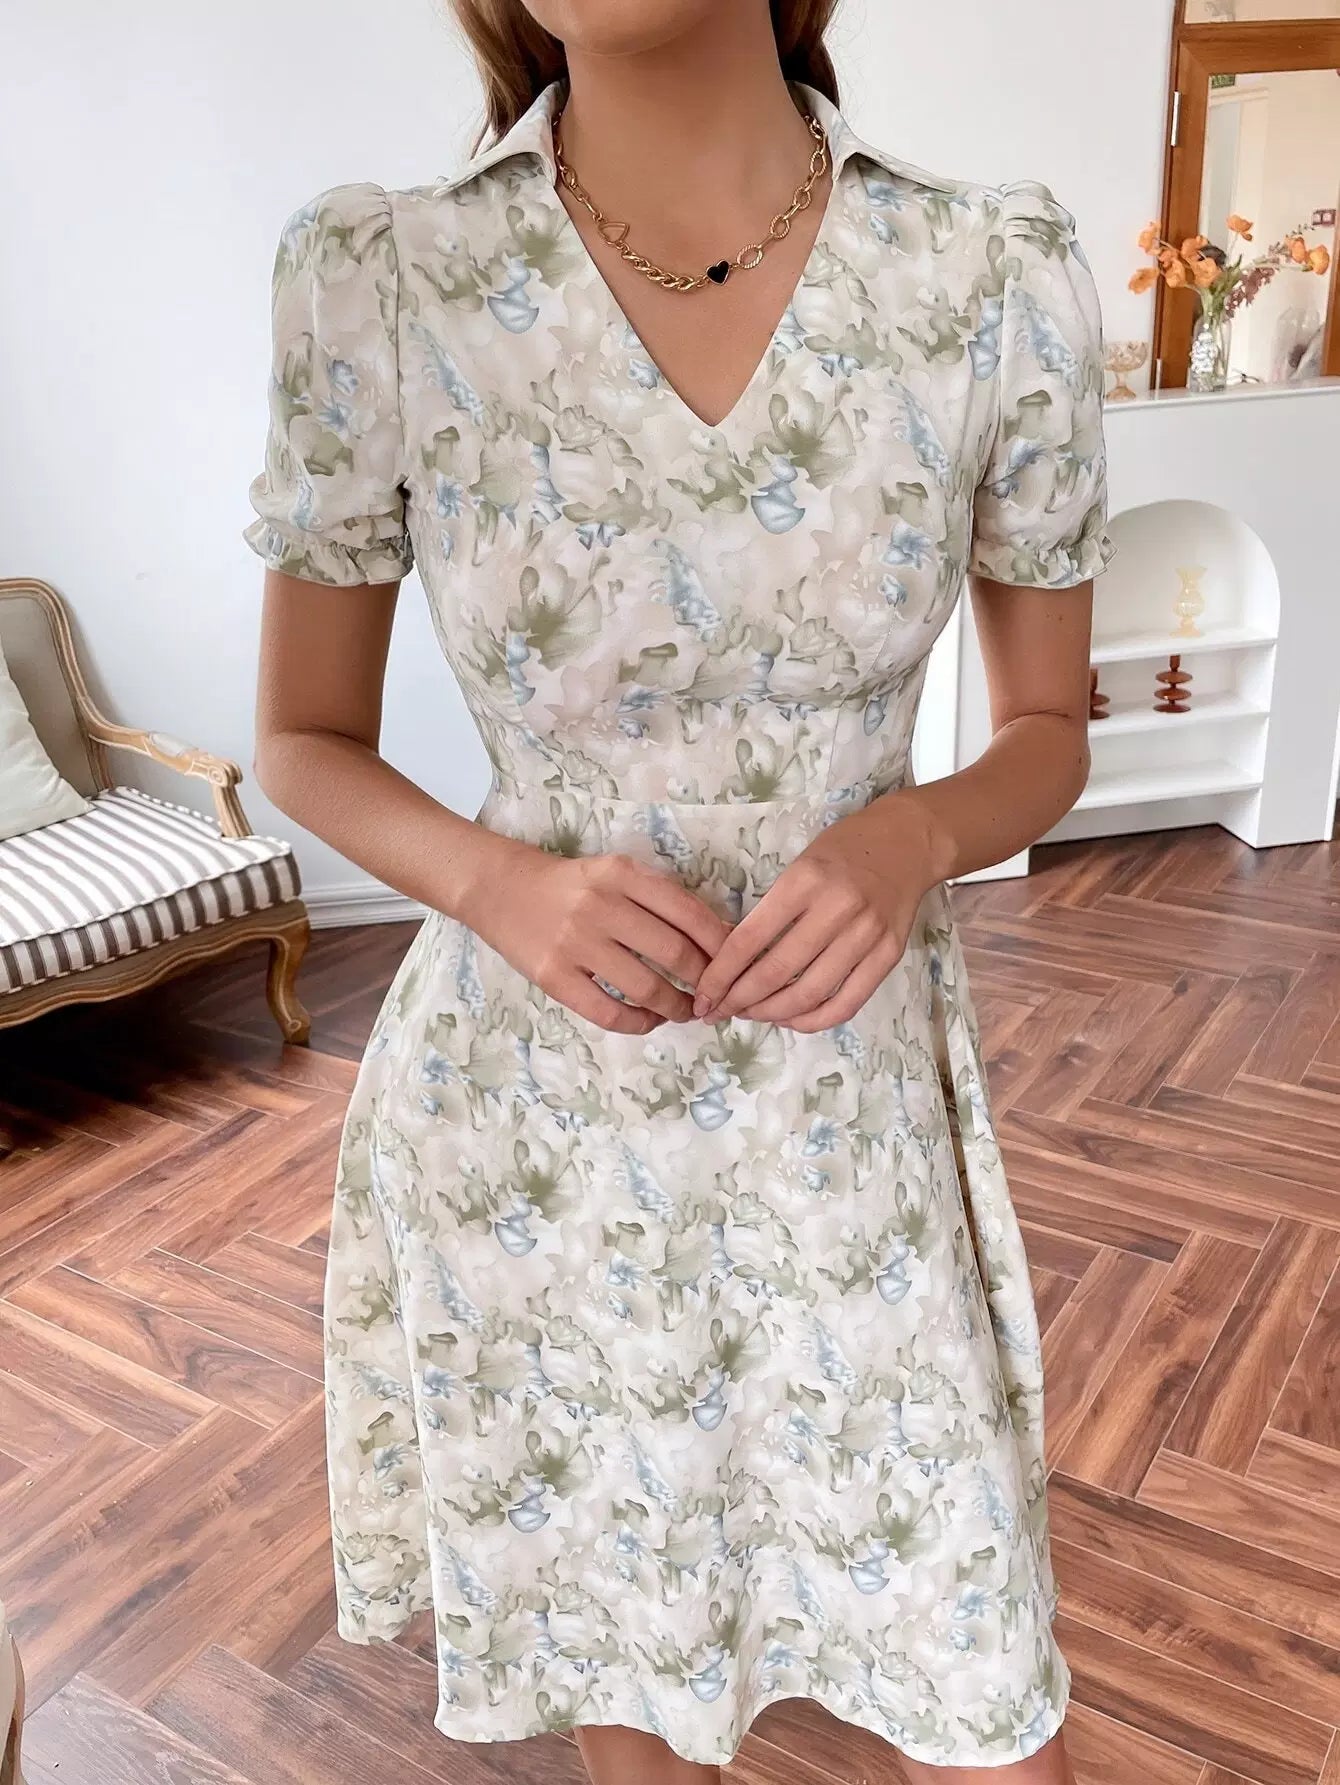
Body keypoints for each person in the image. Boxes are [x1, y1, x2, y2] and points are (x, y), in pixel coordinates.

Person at [244, 3, 1114, 1780]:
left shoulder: (989, 271)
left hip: (850, 1118)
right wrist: (500, 886)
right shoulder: (383, 278)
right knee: (637, 1673)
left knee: (976, 1670)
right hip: (540, 1126)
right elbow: (301, 739)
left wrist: (910, 835)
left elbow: (1047, 732)